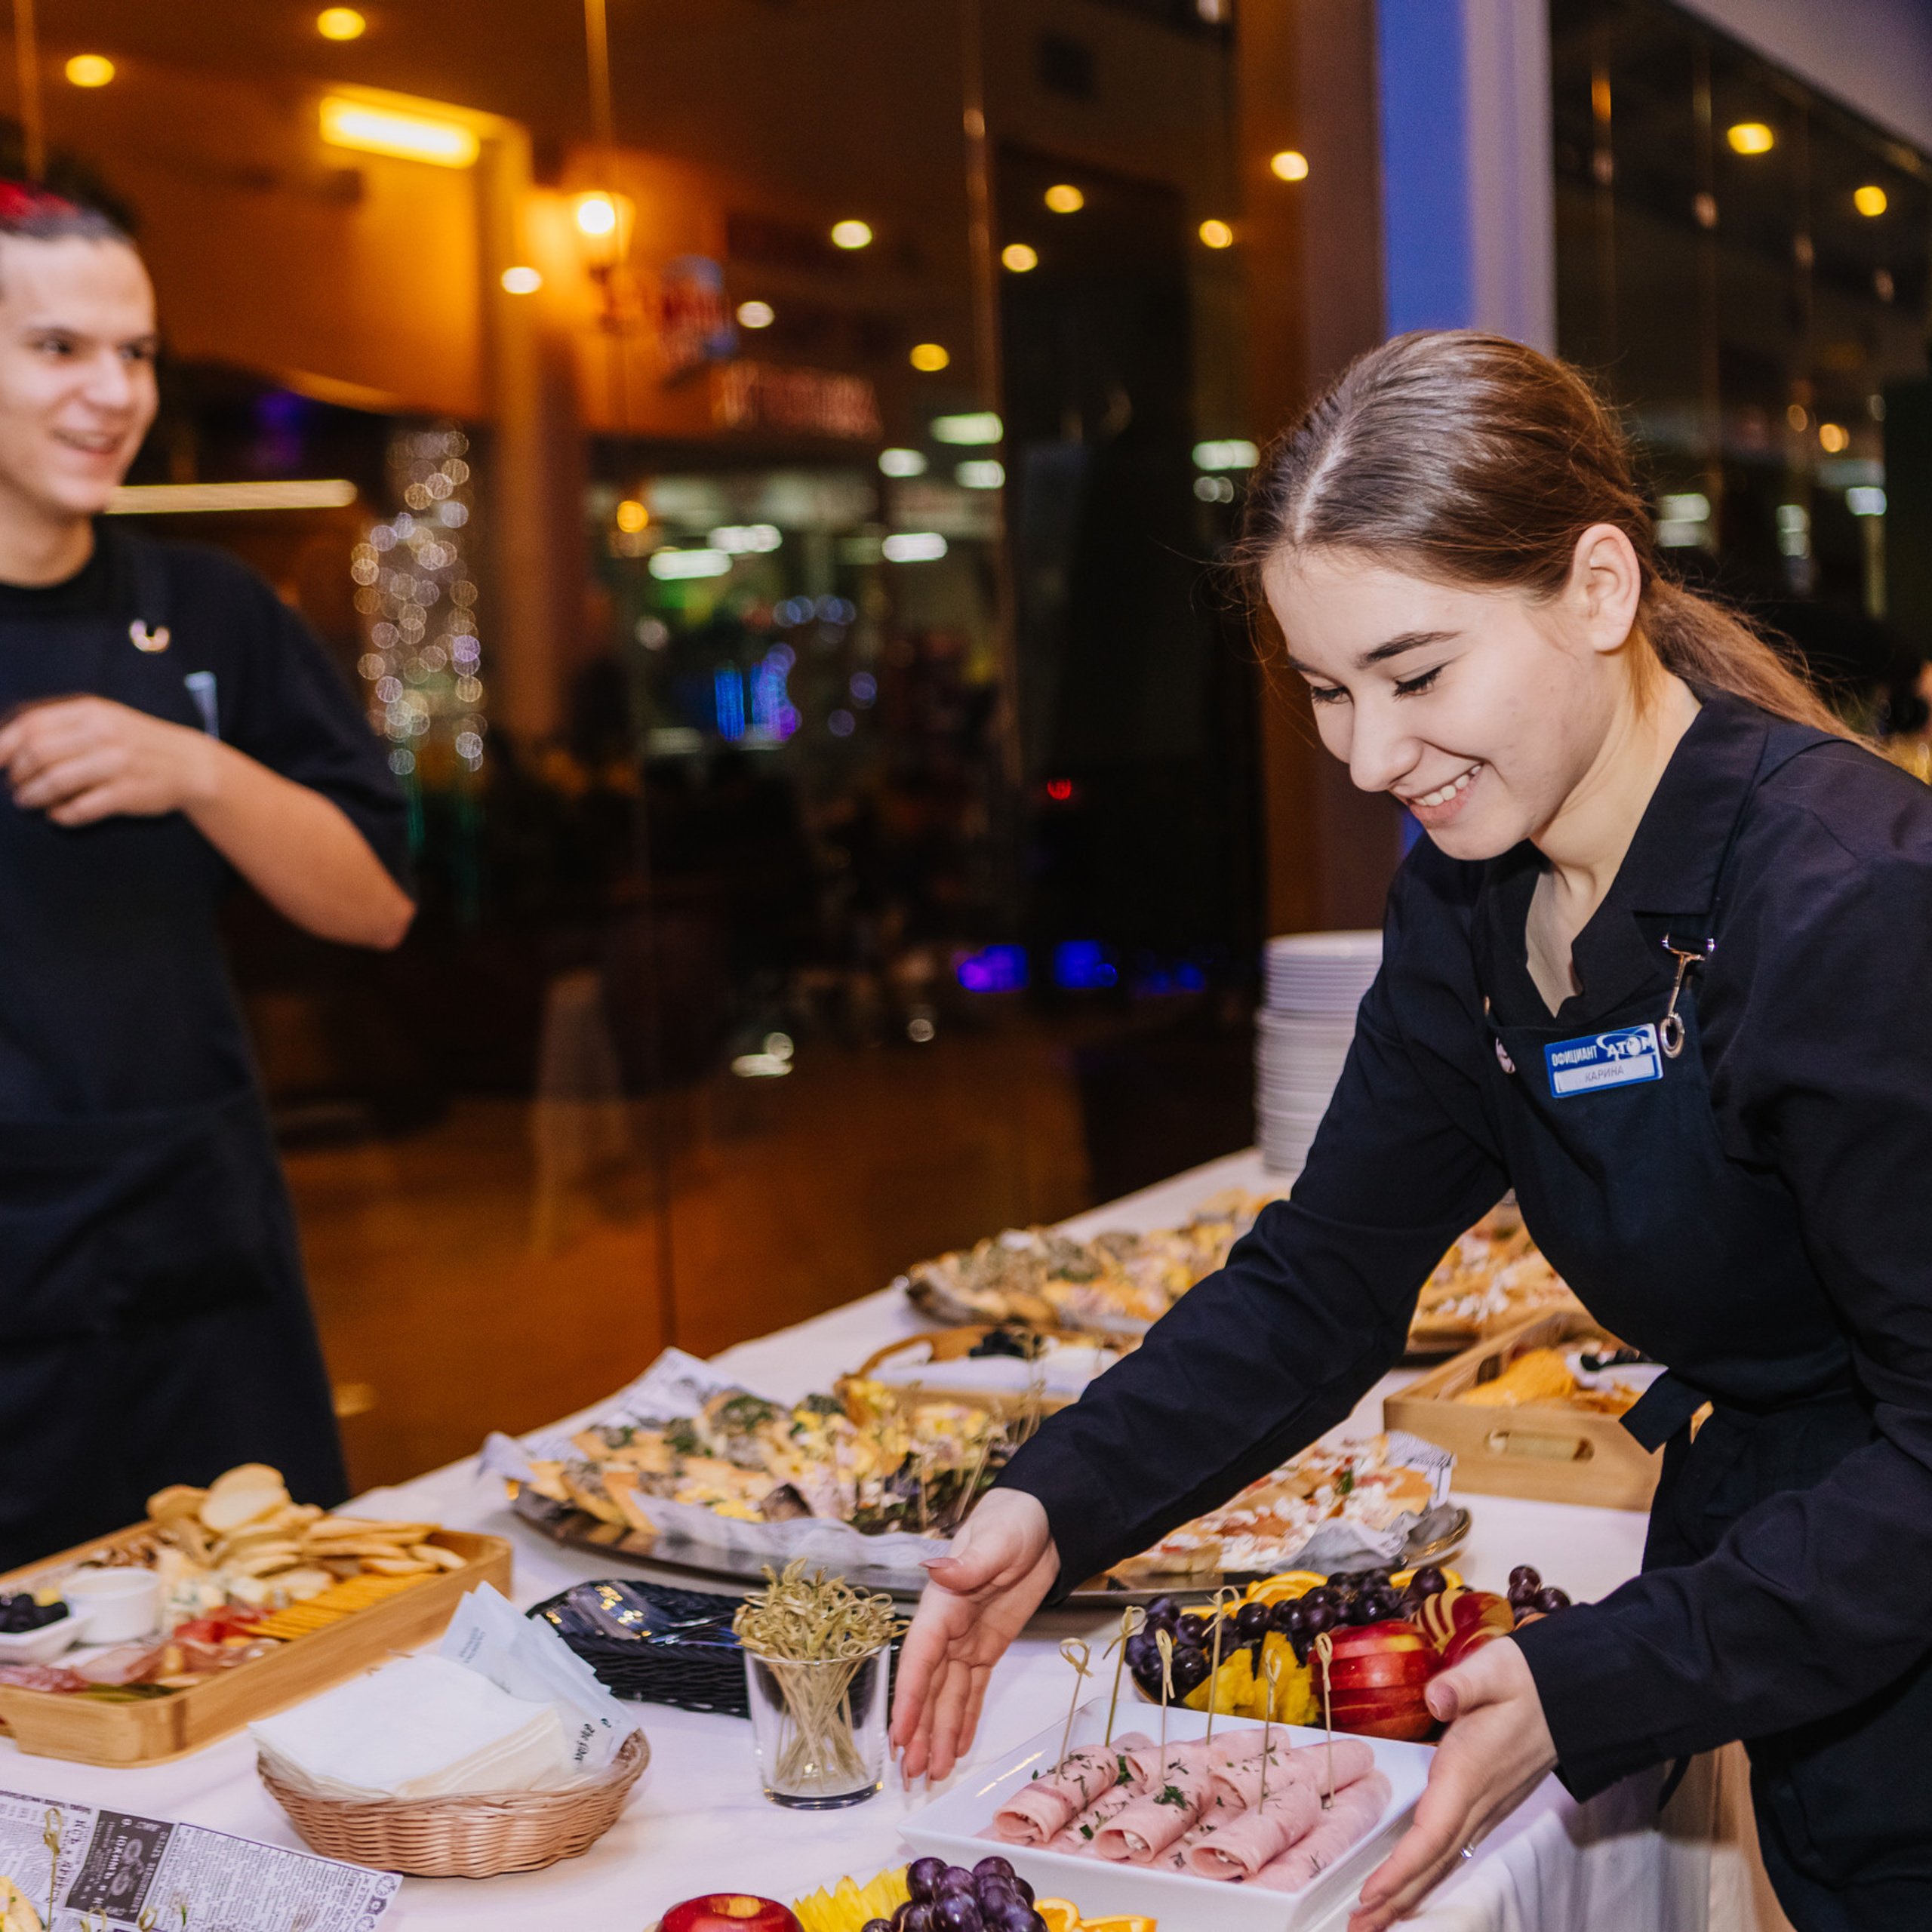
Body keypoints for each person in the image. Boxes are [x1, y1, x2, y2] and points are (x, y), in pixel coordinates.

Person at [890, 330, 1932, 1932]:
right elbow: (1323, 1273)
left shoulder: (1844, 901)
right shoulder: (1468, 893)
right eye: (1321, 689)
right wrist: (1055, 1499)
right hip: (1813, 1590)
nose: (1370, 756)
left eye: (1414, 673)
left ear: (1597, 588)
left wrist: (1603, 1673)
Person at [0, 182, 414, 1569]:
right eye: (57, 349)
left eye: (136, 352)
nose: (111, 392)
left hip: (202, 1256)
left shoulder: (217, 609)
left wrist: (197, 770)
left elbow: (375, 906)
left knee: (270, 1641)